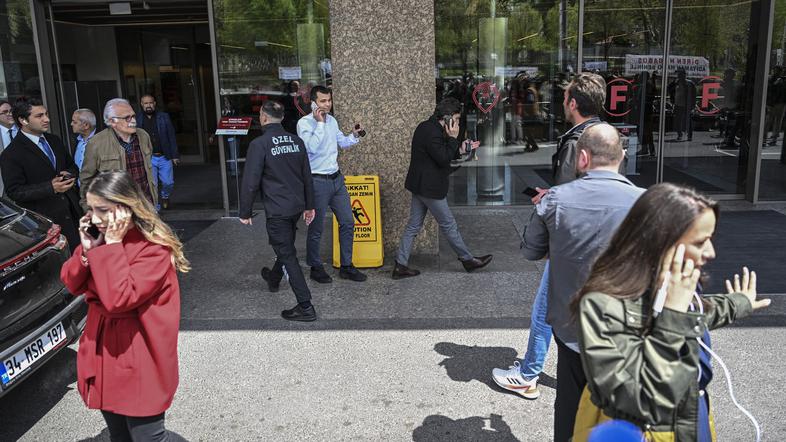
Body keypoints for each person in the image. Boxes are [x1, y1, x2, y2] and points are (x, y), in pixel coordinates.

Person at [571, 183, 770, 441]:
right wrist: (672, 316)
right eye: (700, 242)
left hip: (690, 418)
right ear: (660, 242)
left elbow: (699, 315)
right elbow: (637, 402)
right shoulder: (602, 304)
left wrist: (738, 303)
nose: (711, 252)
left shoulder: (676, 286)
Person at [521, 123, 644, 441]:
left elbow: (531, 250)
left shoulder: (556, 199)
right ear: (623, 156)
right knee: (619, 420)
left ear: (583, 157)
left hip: (572, 329)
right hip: (624, 335)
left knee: (569, 411)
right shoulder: (648, 203)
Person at [492, 73, 608, 400]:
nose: (562, 100)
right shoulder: (607, 135)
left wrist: (549, 227)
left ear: (572, 103)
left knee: (545, 307)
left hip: (573, 243)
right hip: (598, 239)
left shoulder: (577, 141)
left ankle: (528, 375)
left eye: (565, 96)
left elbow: (571, 198)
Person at [60, 170, 187, 442]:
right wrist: (85, 252)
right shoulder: (98, 236)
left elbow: (119, 299)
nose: (95, 218)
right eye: (91, 209)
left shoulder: (153, 248)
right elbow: (71, 283)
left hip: (139, 353)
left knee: (149, 438)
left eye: (103, 210)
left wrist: (111, 246)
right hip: (103, 349)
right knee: (119, 435)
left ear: (126, 207)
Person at [392, 97, 492, 279]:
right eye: (457, 118)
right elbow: (443, 158)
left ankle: (400, 265)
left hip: (420, 185)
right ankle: (468, 260)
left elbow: (440, 152)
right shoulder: (432, 132)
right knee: (449, 225)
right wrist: (454, 138)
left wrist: (461, 149)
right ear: (447, 118)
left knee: (413, 226)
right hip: (430, 188)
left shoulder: (427, 127)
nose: (458, 123)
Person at [239, 101, 317, 322]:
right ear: (282, 118)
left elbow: (250, 182)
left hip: (277, 211)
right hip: (295, 208)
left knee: (287, 255)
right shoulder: (296, 141)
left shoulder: (259, 144)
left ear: (263, 117)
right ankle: (273, 277)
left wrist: (245, 211)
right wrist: (310, 205)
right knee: (285, 248)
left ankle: (306, 306)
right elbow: (306, 176)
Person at [296, 85, 367, 283]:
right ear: (313, 103)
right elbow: (310, 148)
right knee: (317, 227)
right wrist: (319, 123)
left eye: (329, 101)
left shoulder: (332, 121)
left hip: (336, 179)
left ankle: (346, 265)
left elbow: (341, 143)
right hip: (317, 181)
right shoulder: (305, 124)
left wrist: (354, 135)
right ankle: (315, 267)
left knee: (347, 222)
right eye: (323, 101)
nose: (327, 105)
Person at [0, 98, 81, 250]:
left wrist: (69, 173)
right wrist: (50, 187)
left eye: (46, 114)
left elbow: (72, 166)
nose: (47, 119)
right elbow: (14, 192)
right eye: (39, 116)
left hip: (73, 213)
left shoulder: (54, 140)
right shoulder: (11, 154)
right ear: (23, 120)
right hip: (46, 224)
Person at [80, 98, 156, 210]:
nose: (133, 121)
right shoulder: (96, 143)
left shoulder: (144, 136)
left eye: (133, 116)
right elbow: (87, 180)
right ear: (112, 121)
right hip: (116, 211)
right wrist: (89, 209)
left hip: (146, 206)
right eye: (127, 118)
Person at [137, 95, 179, 209]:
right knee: (152, 184)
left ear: (154, 103)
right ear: (141, 104)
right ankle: (155, 206)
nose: (148, 105)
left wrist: (174, 155)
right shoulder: (138, 119)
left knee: (168, 182)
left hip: (164, 156)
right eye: (145, 103)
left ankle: (165, 196)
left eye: (150, 103)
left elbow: (171, 136)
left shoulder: (163, 117)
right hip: (148, 157)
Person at [668, 68, 697, 141]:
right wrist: (674, 82)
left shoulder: (690, 83)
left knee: (688, 120)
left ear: (684, 75)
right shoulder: (676, 82)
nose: (679, 76)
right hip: (677, 104)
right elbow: (668, 89)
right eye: (678, 74)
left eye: (680, 74)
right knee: (678, 120)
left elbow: (694, 95)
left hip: (686, 105)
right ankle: (679, 134)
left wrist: (693, 104)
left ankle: (689, 135)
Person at [71, 108, 97, 175]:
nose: (71, 124)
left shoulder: (103, 140)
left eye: (74, 122)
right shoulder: (75, 141)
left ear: (86, 125)